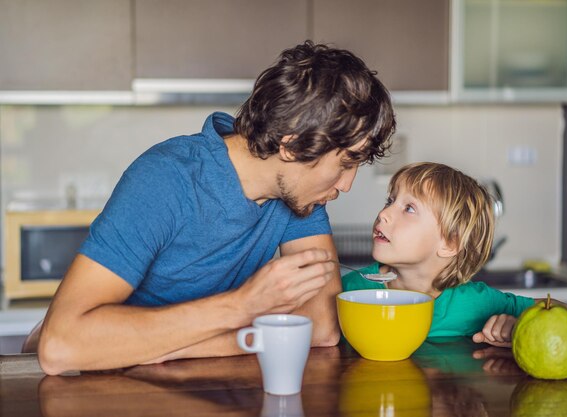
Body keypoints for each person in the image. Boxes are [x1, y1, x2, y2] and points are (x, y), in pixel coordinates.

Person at [29, 40, 396, 375]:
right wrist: (242, 307)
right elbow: (60, 346)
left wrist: (175, 347)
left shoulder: (302, 194)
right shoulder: (166, 179)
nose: (346, 185)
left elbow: (320, 326)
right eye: (346, 164)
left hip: (173, 377)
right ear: (292, 145)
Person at [342, 162, 565, 347]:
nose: (383, 214)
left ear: (450, 243)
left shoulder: (477, 303)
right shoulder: (350, 289)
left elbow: (562, 311)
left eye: (409, 208)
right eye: (390, 201)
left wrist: (517, 326)